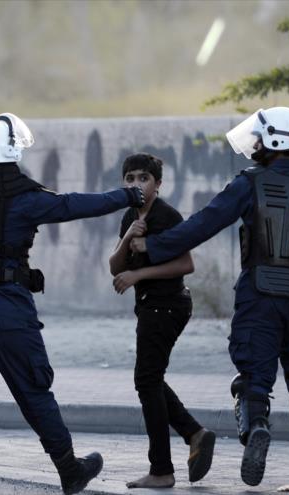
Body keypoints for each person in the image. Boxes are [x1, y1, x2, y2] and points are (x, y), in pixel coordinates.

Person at [0, 113, 145, 495]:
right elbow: (73, 205)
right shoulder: (22, 199)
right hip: (8, 311)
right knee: (35, 390)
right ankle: (69, 468)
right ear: (7, 153)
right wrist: (125, 196)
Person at [129, 107, 289, 487]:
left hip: (260, 296)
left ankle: (258, 426)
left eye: (261, 137)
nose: (256, 143)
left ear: (274, 141)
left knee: (253, 378)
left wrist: (151, 245)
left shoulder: (249, 183)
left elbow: (202, 225)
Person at [108, 153, 216, 488]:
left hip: (167, 305)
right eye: (130, 178)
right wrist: (128, 238)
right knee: (149, 379)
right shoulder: (130, 215)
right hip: (151, 306)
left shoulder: (167, 216)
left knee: (147, 380)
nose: (136, 184)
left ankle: (162, 469)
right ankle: (193, 434)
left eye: (143, 178)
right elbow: (115, 266)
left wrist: (139, 274)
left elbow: (186, 264)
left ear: (158, 184)